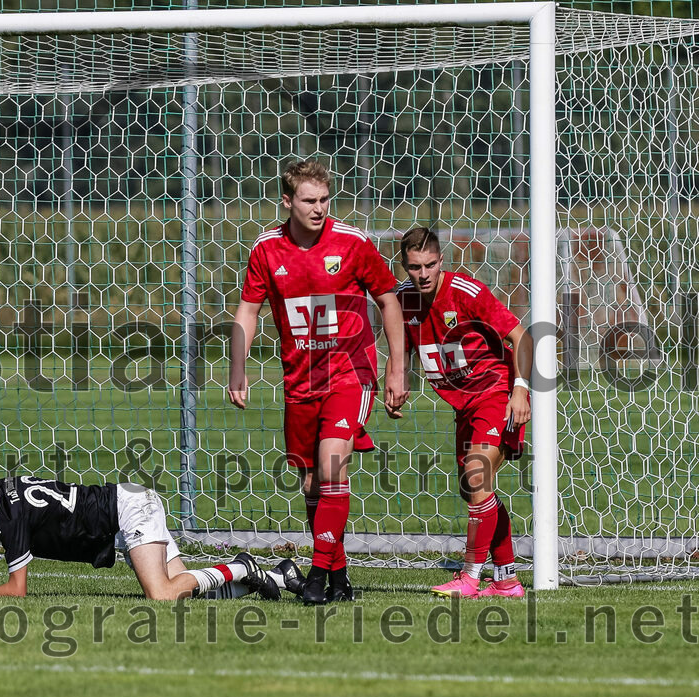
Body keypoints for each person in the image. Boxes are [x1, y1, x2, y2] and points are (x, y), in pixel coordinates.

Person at [228, 159, 408, 605]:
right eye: (309, 200)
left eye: (325, 199)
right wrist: (237, 368)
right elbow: (248, 311)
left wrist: (396, 368)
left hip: (351, 373)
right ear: (287, 201)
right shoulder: (267, 250)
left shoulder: (352, 243)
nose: (319, 208)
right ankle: (340, 574)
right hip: (300, 380)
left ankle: (315, 576)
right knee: (312, 484)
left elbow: (388, 300)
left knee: (331, 467)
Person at [387, 227, 533, 598]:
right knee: (476, 490)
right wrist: (395, 379)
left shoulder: (467, 293)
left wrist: (520, 390)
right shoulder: (402, 300)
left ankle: (469, 577)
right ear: (404, 265)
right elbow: (399, 346)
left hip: (496, 393)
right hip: (463, 407)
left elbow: (522, 337)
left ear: (441, 261)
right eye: (415, 267)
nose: (423, 274)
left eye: (430, 265)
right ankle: (507, 581)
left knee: (476, 476)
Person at [0, 461, 305, 601]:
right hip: (127, 502)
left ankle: (242, 567)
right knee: (185, 588)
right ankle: (278, 575)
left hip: (125, 511)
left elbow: (18, 590)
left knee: (160, 596)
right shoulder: (3, 495)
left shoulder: (11, 514)